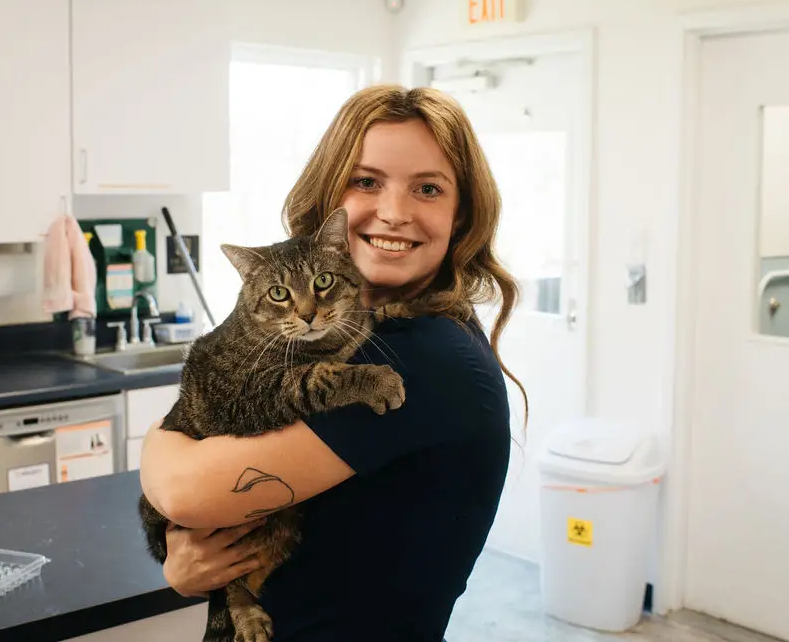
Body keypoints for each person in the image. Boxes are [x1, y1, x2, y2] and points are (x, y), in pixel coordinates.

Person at [139, 84, 528, 642]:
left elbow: (185, 492)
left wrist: (155, 440)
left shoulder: (425, 358)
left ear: (461, 215)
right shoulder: (354, 326)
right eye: (367, 181)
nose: (394, 214)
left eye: (428, 188)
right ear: (329, 191)